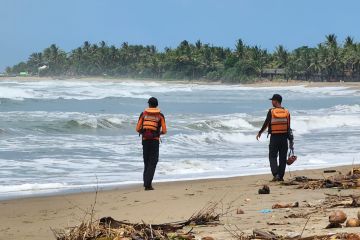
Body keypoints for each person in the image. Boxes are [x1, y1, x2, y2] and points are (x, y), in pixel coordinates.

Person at [256, 94, 294, 182]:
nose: (271, 102)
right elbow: (288, 127)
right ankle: (280, 176)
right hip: (284, 138)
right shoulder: (287, 112)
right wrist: (291, 140)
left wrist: (260, 132)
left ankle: (276, 174)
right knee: (282, 157)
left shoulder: (271, 111)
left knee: (272, 156)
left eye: (272, 100)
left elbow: (266, 123)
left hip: (274, 138)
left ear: (276, 101)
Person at [136, 97, 167, 190]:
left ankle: (146, 183)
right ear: (157, 105)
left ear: (149, 104)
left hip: (145, 140)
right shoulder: (160, 115)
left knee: (146, 161)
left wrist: (145, 133)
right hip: (155, 140)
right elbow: (164, 130)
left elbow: (137, 129)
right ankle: (147, 184)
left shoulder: (143, 114)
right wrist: (158, 133)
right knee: (153, 162)